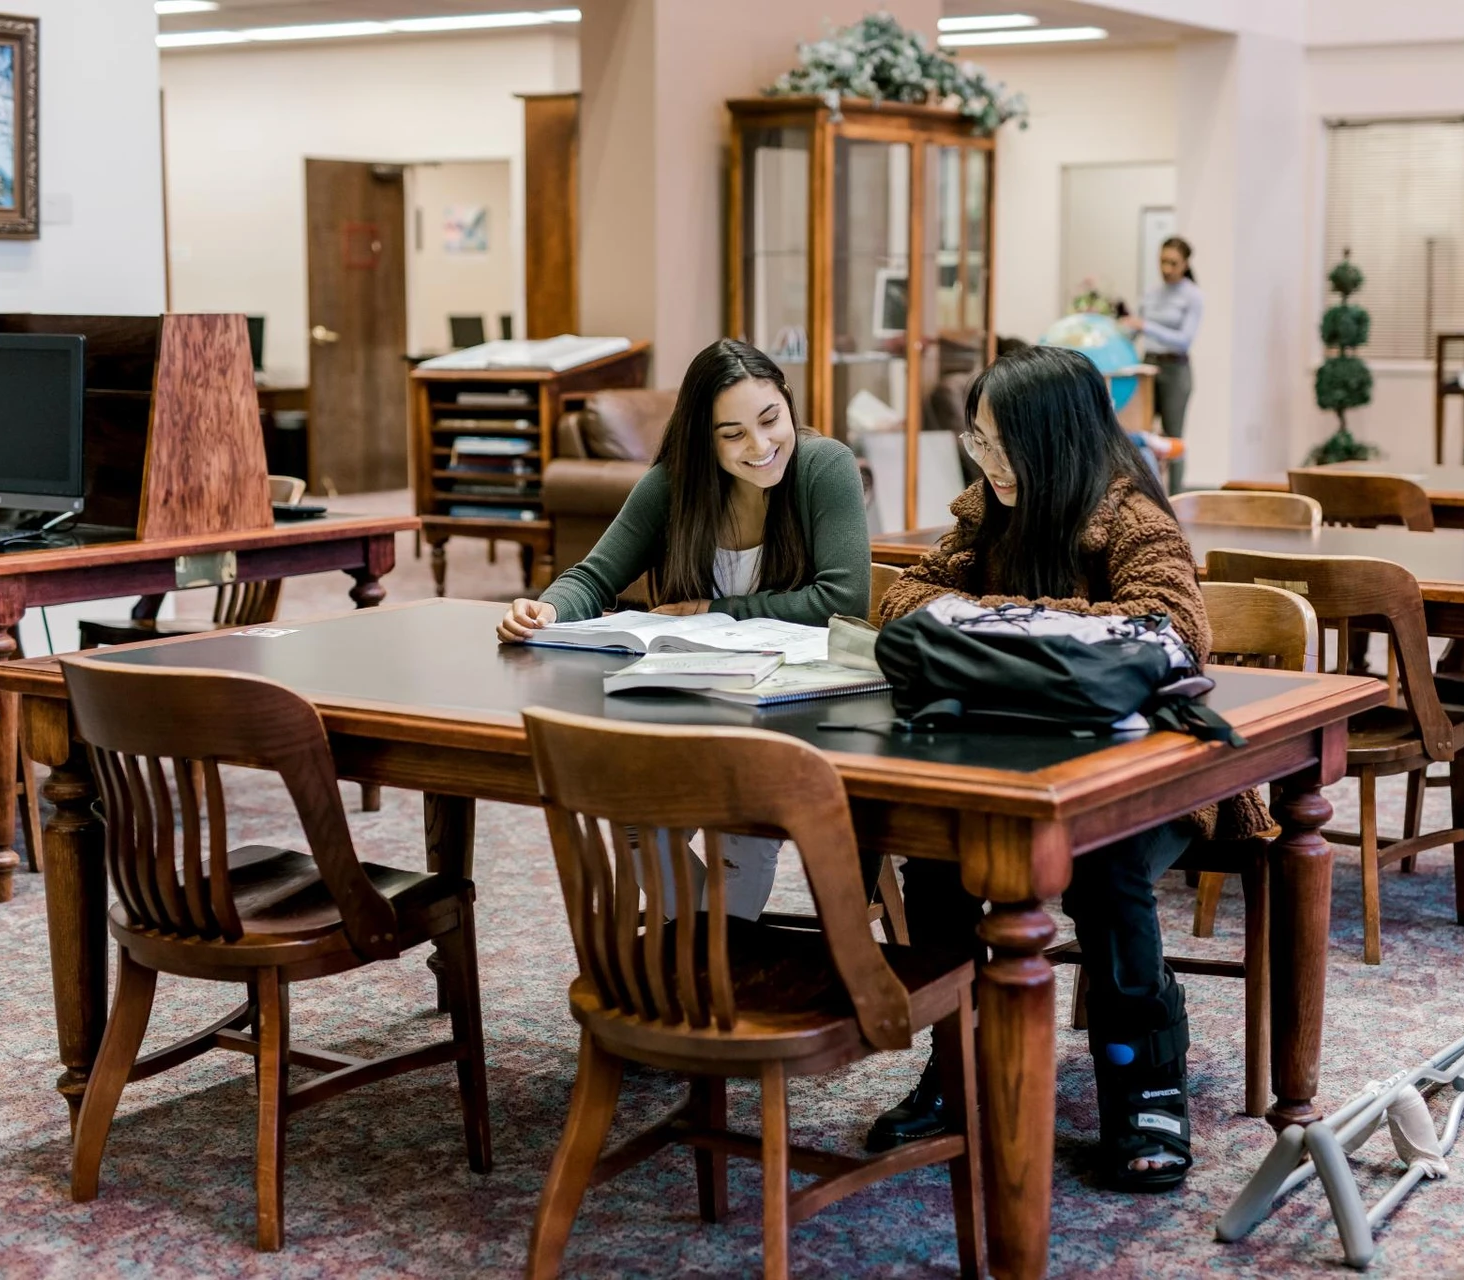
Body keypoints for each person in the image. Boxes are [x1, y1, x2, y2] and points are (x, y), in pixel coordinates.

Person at [865, 344, 1273, 1192]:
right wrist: (1045, 631)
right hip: (1010, 758)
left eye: (997, 441)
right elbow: (901, 600)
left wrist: (985, 624)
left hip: (1150, 776)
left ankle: (1144, 1079)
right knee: (936, 856)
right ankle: (955, 1060)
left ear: (1051, 438)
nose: (985, 460)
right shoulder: (989, 510)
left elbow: (1166, 630)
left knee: (1108, 868)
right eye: (976, 442)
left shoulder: (1132, 518)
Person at [498, 337, 872, 915]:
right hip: (692, 700)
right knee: (632, 815)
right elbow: (594, 577)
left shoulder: (824, 467)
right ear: (704, 438)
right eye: (733, 434)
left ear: (787, 402)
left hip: (795, 707)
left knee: (745, 823)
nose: (760, 445)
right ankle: (714, 958)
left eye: (771, 419)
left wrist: (712, 611)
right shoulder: (672, 486)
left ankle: (710, 965)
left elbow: (842, 599)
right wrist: (546, 608)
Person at [1121, 236, 1201, 493]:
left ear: (1185, 263)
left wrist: (1145, 326)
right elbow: (1134, 333)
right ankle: (1144, 495)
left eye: (1173, 263)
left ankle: (1177, 498)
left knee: (1173, 436)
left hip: (1175, 369)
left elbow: (1183, 341)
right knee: (1140, 432)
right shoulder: (1151, 293)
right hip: (1148, 368)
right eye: (1162, 262)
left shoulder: (1193, 296)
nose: (1166, 268)